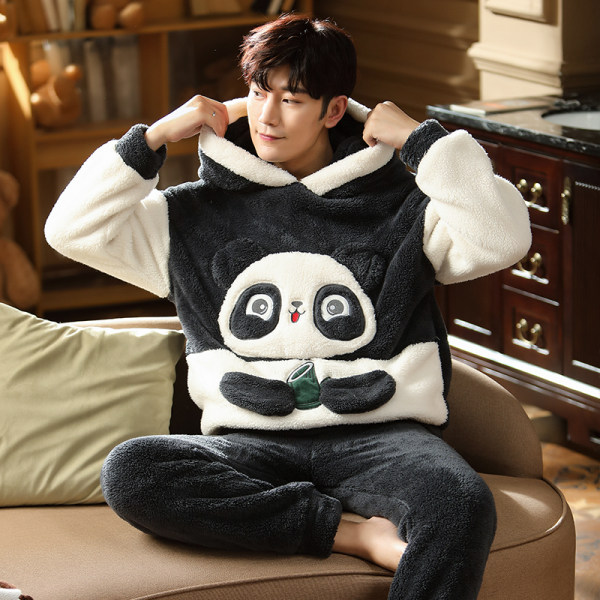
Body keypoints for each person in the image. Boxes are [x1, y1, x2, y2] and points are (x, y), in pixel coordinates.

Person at [45, 14, 531, 600]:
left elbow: (504, 238)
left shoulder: (405, 208)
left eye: (293, 99)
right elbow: (71, 231)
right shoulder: (189, 215)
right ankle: (352, 535)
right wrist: (152, 138)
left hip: (384, 436)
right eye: (258, 92)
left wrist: (422, 142)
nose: (268, 116)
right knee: (132, 472)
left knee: (460, 503)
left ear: (334, 109)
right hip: (250, 441)